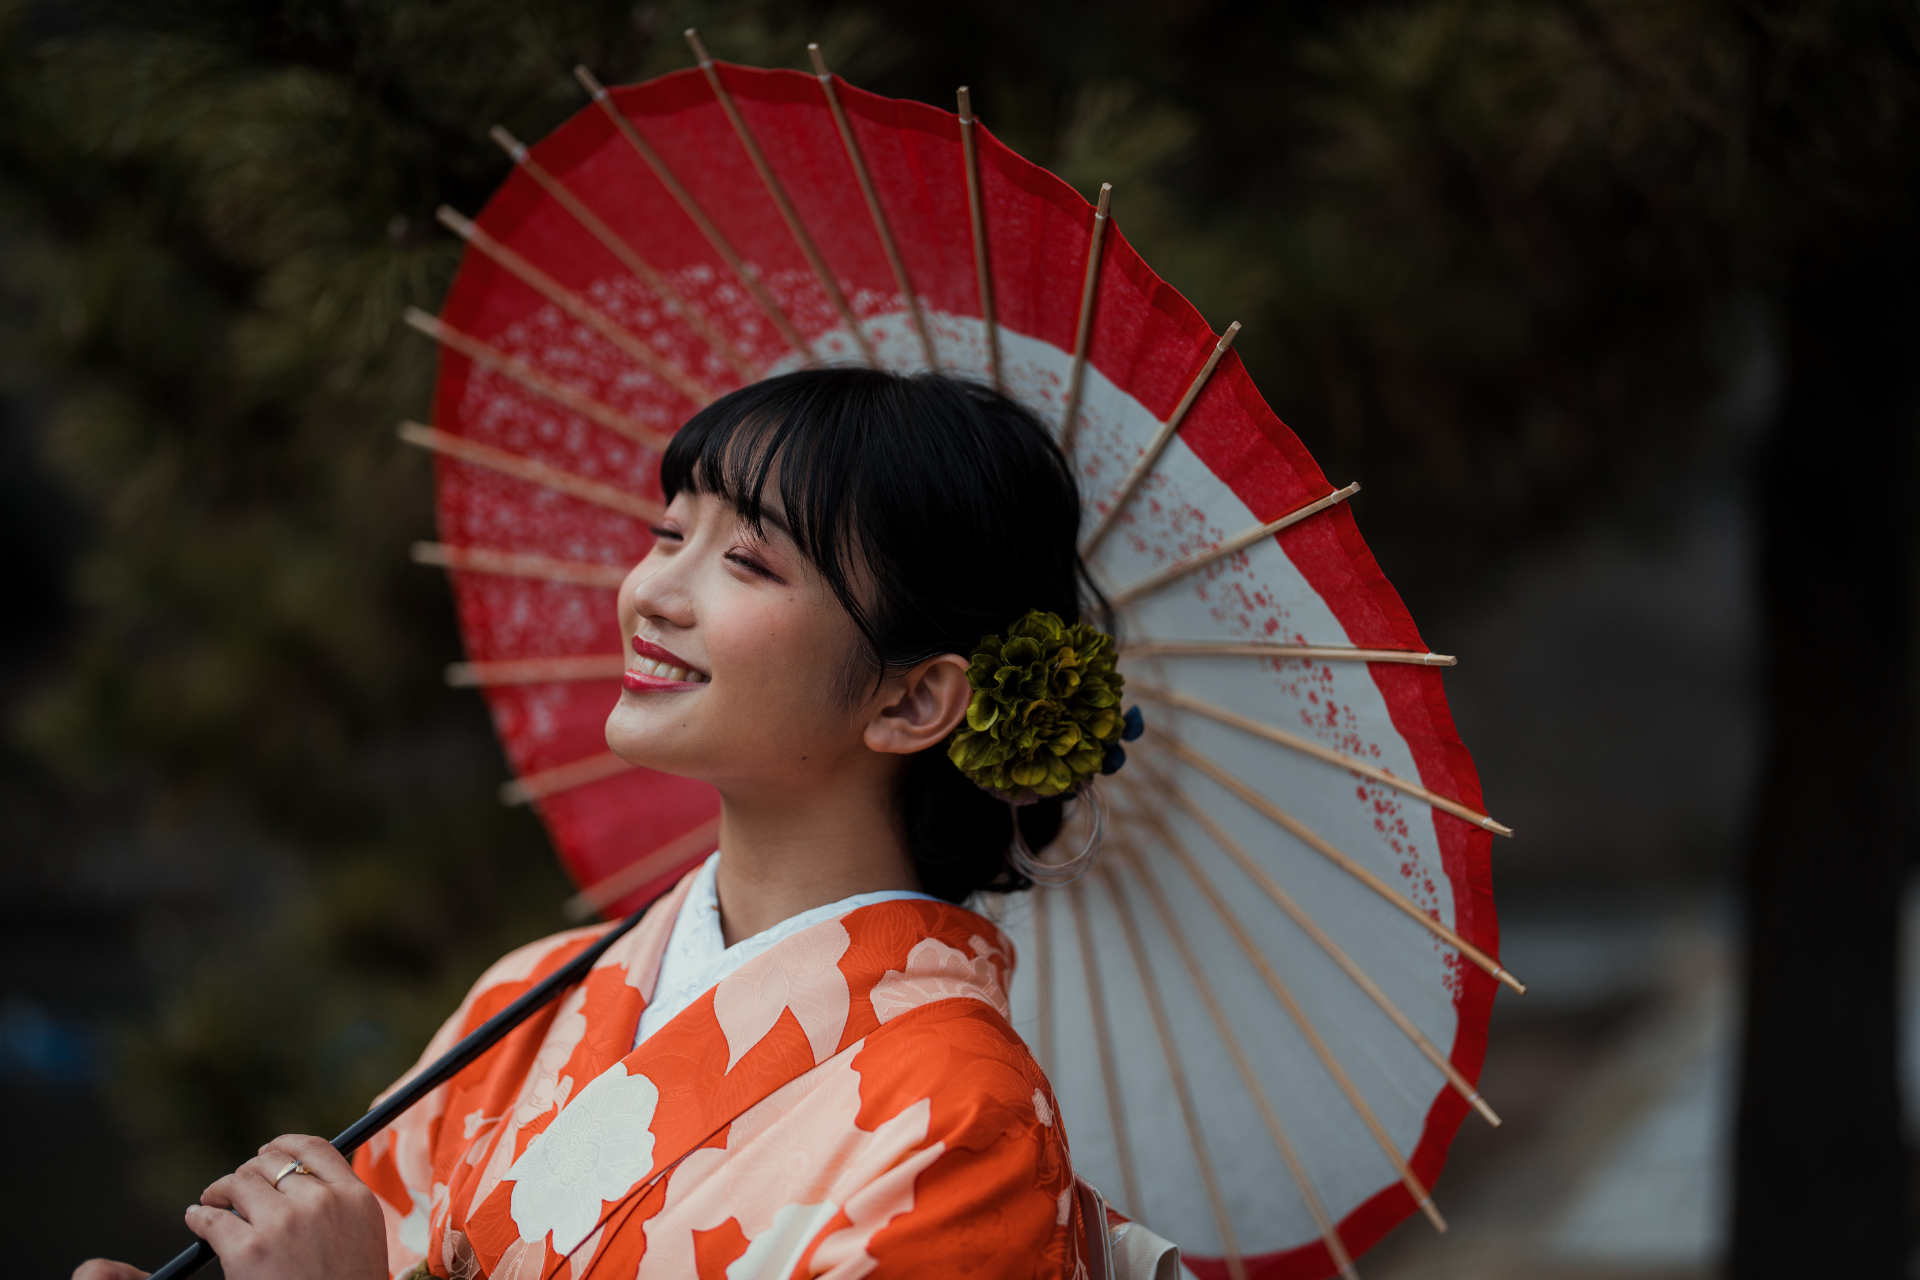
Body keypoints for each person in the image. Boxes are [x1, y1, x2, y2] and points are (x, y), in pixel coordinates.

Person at [74, 368, 1178, 1280]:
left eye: (748, 559)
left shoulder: (963, 1119)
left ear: (909, 700)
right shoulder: (526, 997)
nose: (653, 589)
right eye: (667, 532)